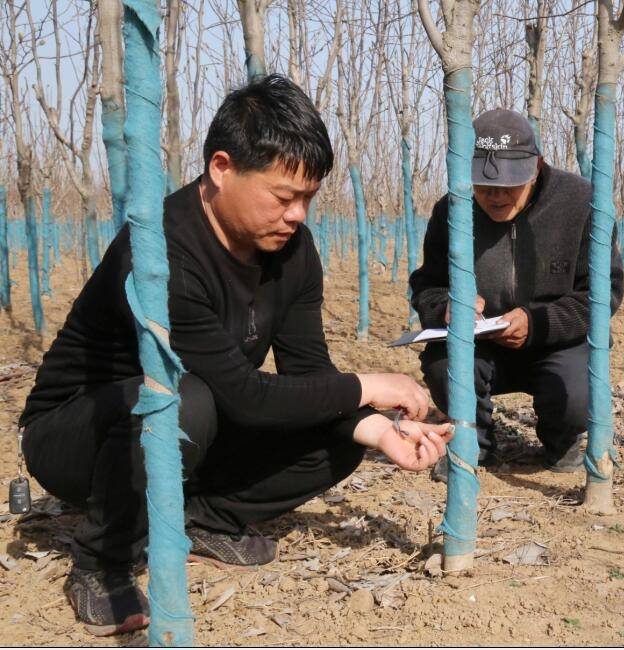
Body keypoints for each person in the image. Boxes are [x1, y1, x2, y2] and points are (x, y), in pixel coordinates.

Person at [18, 74, 450, 636]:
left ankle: (200, 521)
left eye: (309, 199)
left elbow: (308, 375)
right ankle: (103, 560)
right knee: (179, 397)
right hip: (80, 435)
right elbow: (246, 397)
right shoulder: (160, 250)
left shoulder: (293, 250)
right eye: (283, 196)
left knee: (339, 432)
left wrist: (375, 429)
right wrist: (368, 385)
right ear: (221, 168)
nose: (297, 214)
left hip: (197, 425)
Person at [409, 108, 624, 482]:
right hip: (482, 346)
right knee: (444, 367)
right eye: (484, 185)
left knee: (578, 392)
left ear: (536, 166)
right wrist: (445, 307)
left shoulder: (580, 202)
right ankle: (472, 443)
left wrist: (537, 323)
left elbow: (602, 293)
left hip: (559, 343)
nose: (496, 196)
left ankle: (563, 440)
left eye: (510, 185)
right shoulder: (451, 210)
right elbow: (427, 284)